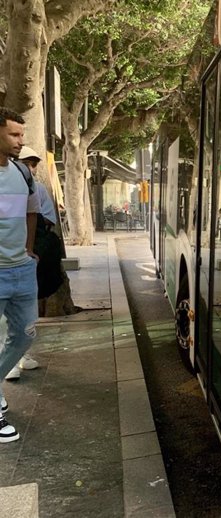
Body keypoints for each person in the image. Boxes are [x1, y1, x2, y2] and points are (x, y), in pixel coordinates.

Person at [0, 107, 40, 443]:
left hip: (21, 270)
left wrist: (28, 250)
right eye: (14, 134)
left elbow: (28, 213)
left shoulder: (21, 174)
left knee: (25, 335)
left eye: (21, 135)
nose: (20, 141)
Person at [4, 146, 59, 380]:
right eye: (28, 162)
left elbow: (41, 218)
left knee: (24, 323)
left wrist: (28, 250)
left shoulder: (34, 187)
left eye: (35, 164)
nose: (32, 168)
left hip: (24, 260)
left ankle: (18, 358)